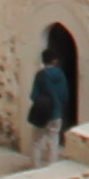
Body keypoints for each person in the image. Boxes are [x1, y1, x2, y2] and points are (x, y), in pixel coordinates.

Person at [25, 40, 75, 170]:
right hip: (56, 113)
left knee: (36, 141)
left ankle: (36, 166)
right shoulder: (61, 75)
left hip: (42, 114)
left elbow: (33, 95)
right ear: (55, 61)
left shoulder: (40, 75)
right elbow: (65, 95)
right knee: (53, 140)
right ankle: (52, 166)